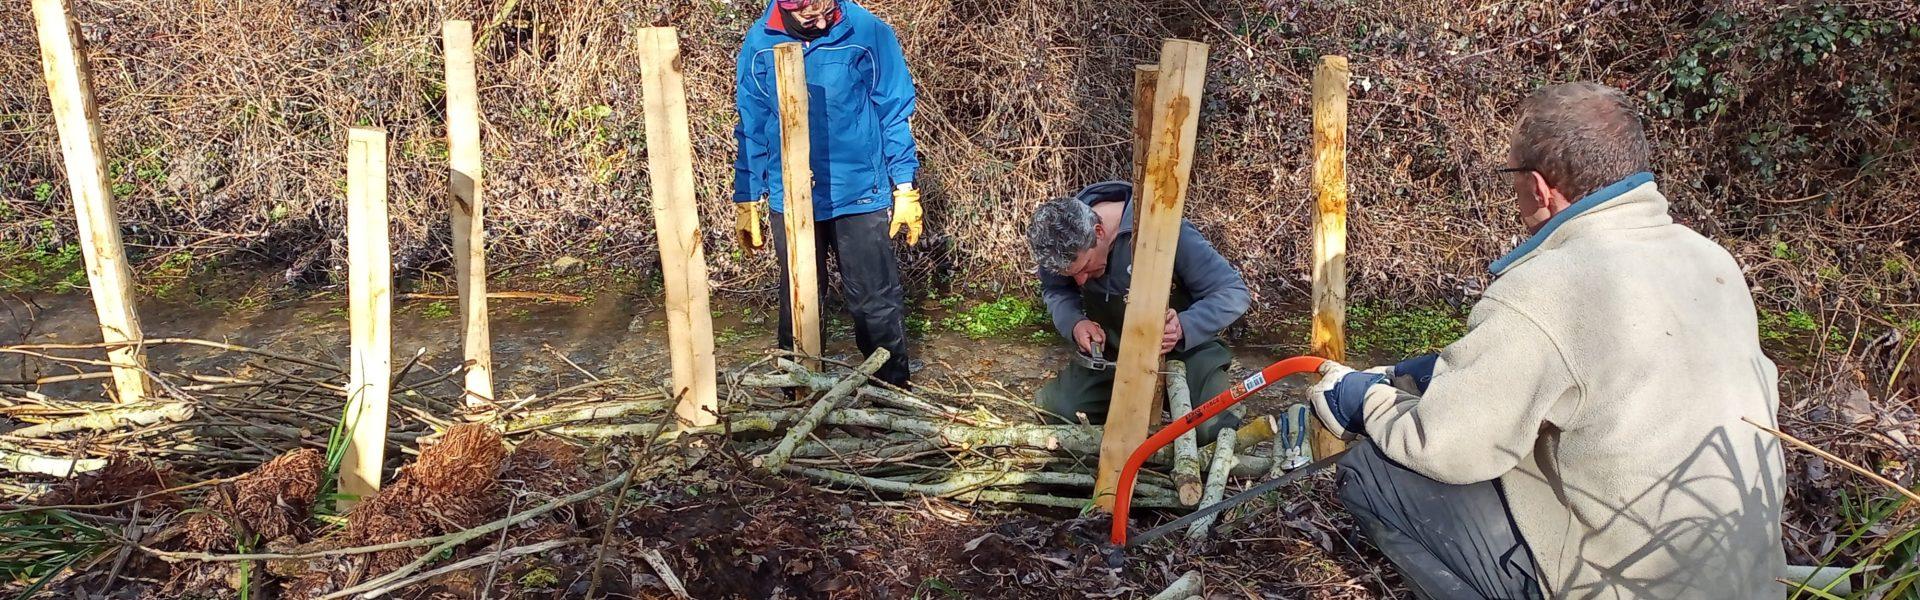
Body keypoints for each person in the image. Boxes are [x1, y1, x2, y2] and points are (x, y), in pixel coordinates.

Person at [1307, 83, 1786, 599]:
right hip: (1746, 578)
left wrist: (1363, 400)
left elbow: (1447, 448)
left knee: (1374, 471)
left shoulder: (1544, 286)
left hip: (1626, 588)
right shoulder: (1709, 260)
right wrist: (1443, 373)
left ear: (1538, 186)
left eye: (1511, 176)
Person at [731, 0, 921, 386]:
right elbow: (751, 124)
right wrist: (747, 197)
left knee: (875, 302)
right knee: (799, 300)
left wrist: (905, 188)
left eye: (827, 12)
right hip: (791, 193)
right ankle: (798, 392)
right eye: (810, 17)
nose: (822, 22)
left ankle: (891, 392)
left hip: (859, 192)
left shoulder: (866, 31)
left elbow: (894, 110)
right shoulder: (759, 43)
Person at [1027, 181, 1250, 443]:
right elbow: (1057, 292)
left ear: (1099, 231)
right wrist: (1076, 323)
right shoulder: (1059, 245)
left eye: (1086, 267)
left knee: (1212, 430)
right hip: (1115, 357)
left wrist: (1184, 326)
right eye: (1072, 275)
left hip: (1186, 352)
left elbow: (1233, 292)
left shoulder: (1162, 228)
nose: (1081, 281)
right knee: (1056, 411)